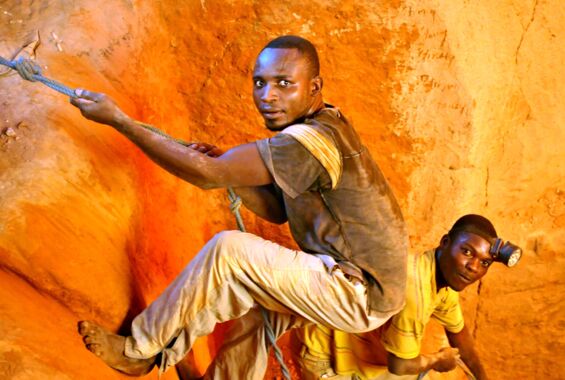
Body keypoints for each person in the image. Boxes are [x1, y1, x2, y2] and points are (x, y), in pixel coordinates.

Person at [64, 35, 408, 378]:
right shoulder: (324, 123)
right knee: (257, 308)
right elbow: (277, 210)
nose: (267, 96)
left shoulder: (306, 142)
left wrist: (121, 122)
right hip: (356, 281)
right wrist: (232, 174)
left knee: (229, 250)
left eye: (284, 84)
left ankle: (139, 350)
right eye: (260, 83)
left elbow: (207, 176)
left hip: (359, 291)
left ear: (314, 86)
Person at [293, 214, 516, 380]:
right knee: (412, 370)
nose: (473, 267)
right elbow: (399, 366)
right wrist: (437, 360)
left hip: (362, 356)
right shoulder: (414, 289)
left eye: (485, 262)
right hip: (328, 360)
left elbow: (461, 339)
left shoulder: (442, 281)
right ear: (445, 242)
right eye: (466, 251)